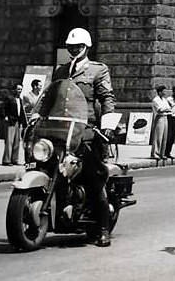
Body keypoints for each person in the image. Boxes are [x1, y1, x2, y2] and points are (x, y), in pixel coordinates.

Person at [51, 27, 117, 247]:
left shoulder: (98, 70)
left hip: (87, 131)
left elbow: (107, 97)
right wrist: (36, 116)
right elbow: (51, 97)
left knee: (94, 179)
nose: (74, 49)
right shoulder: (60, 71)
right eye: (71, 46)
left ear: (86, 47)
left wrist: (107, 125)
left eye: (78, 46)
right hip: (60, 130)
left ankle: (103, 229)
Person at [2, 83, 26, 165]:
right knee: (9, 141)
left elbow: (22, 112)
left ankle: (14, 159)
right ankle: (6, 160)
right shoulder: (9, 98)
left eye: (21, 89)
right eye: (18, 89)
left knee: (17, 141)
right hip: (11, 121)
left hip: (18, 122)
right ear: (14, 90)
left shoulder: (20, 100)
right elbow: (1, 107)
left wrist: (24, 123)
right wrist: (5, 116)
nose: (20, 91)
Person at [150, 85, 170, 161]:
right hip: (159, 118)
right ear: (159, 92)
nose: (165, 93)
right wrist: (165, 109)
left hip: (165, 117)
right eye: (164, 91)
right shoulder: (156, 100)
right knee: (158, 136)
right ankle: (155, 153)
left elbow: (169, 108)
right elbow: (159, 110)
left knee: (164, 137)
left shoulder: (164, 100)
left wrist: (165, 109)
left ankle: (162, 153)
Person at [165, 86, 175, 159]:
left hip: (174, 118)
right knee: (168, 136)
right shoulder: (168, 99)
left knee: (172, 137)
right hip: (169, 117)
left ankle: (168, 152)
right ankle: (164, 152)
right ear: (173, 92)